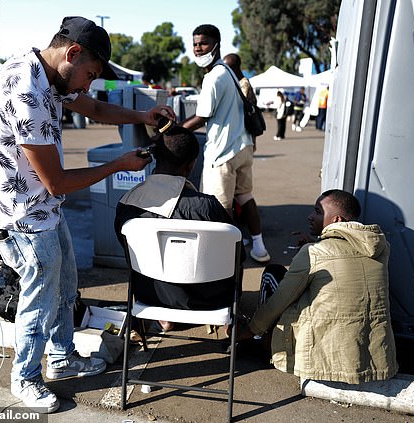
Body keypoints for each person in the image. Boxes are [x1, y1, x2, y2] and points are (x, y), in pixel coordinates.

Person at [0, 16, 175, 414]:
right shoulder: (26, 92)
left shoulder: (51, 76)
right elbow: (57, 182)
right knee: (41, 297)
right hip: (22, 219)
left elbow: (94, 106)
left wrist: (142, 116)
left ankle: (63, 357)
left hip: (44, 211)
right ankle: (26, 377)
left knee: (66, 285)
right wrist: (117, 164)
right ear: (72, 54)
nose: (88, 84)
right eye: (90, 74)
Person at [240, 189, 398, 384]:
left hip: (323, 358)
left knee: (274, 275)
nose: (310, 216)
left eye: (317, 211)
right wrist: (317, 242)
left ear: (337, 220)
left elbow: (281, 300)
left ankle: (259, 341)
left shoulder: (315, 252)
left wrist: (250, 329)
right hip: (373, 357)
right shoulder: (380, 248)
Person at [114, 124, 244, 331]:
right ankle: (232, 324)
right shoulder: (207, 206)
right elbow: (239, 254)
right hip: (210, 300)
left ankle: (165, 319)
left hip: (150, 295)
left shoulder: (127, 203)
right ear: (191, 166)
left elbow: (126, 249)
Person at [182, 24, 270, 263]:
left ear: (216, 45)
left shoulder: (213, 77)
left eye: (204, 44)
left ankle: (227, 257)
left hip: (222, 153)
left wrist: (173, 130)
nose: (198, 49)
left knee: (220, 206)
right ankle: (259, 247)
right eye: (196, 44)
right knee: (245, 196)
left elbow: (202, 117)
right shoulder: (229, 71)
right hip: (243, 147)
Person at [223, 53, 259, 150]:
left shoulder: (243, 84)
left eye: (227, 68)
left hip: (244, 136)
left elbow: (237, 106)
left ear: (233, 69)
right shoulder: (238, 83)